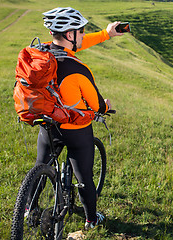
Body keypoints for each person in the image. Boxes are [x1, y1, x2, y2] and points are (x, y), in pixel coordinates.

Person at [37, 7, 123, 229]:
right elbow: (96, 104)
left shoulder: (41, 53)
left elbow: (75, 46)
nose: (84, 35)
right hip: (75, 129)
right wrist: (105, 107)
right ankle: (91, 220)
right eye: (81, 31)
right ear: (69, 35)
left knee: (41, 166)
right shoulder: (77, 69)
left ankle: (29, 209)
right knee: (84, 177)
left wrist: (106, 33)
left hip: (48, 123)